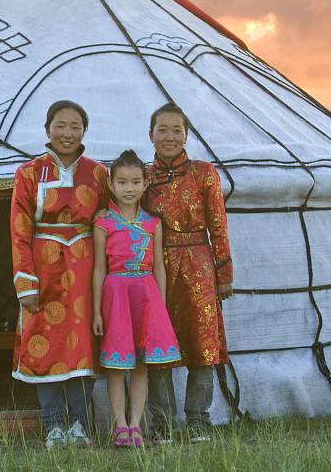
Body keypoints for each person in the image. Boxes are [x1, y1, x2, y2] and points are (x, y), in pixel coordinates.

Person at [10, 100, 111, 449]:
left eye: (75, 126)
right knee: (45, 343)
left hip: (85, 266)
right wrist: (26, 282)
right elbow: (19, 229)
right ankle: (53, 423)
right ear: (47, 129)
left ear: (84, 130)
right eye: (60, 125)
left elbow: (109, 224)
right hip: (43, 267)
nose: (68, 133)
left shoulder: (99, 173)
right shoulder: (28, 173)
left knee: (84, 344)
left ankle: (81, 424)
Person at [144, 102, 234, 444]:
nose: (169, 137)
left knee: (202, 344)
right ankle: (163, 423)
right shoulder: (142, 176)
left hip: (199, 265)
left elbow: (218, 224)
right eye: (162, 130)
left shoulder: (203, 171)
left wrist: (224, 272)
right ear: (150, 134)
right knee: (158, 344)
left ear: (187, 134)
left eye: (177, 130)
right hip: (156, 268)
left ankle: (198, 420)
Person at [91, 150, 181, 448]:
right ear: (111, 185)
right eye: (122, 182)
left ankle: (135, 425)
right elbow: (99, 269)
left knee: (141, 364)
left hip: (146, 296)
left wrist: (162, 308)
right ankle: (119, 425)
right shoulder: (103, 224)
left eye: (135, 182)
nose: (128, 188)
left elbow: (158, 266)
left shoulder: (153, 224)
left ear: (145, 184)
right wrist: (96, 313)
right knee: (117, 365)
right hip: (116, 297)